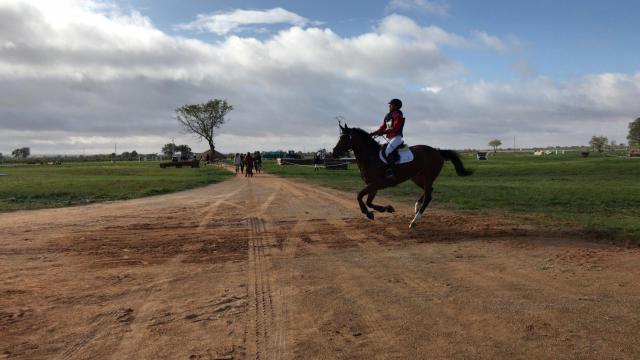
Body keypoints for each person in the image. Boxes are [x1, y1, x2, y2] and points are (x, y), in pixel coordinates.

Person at [370, 98, 405, 178]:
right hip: (390, 138)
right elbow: (383, 128)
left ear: (396, 106)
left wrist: (384, 132)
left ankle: (393, 171)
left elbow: (395, 128)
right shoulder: (389, 116)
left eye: (391, 105)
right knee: (381, 150)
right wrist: (373, 133)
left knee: (388, 151)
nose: (389, 106)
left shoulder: (398, 116)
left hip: (396, 137)